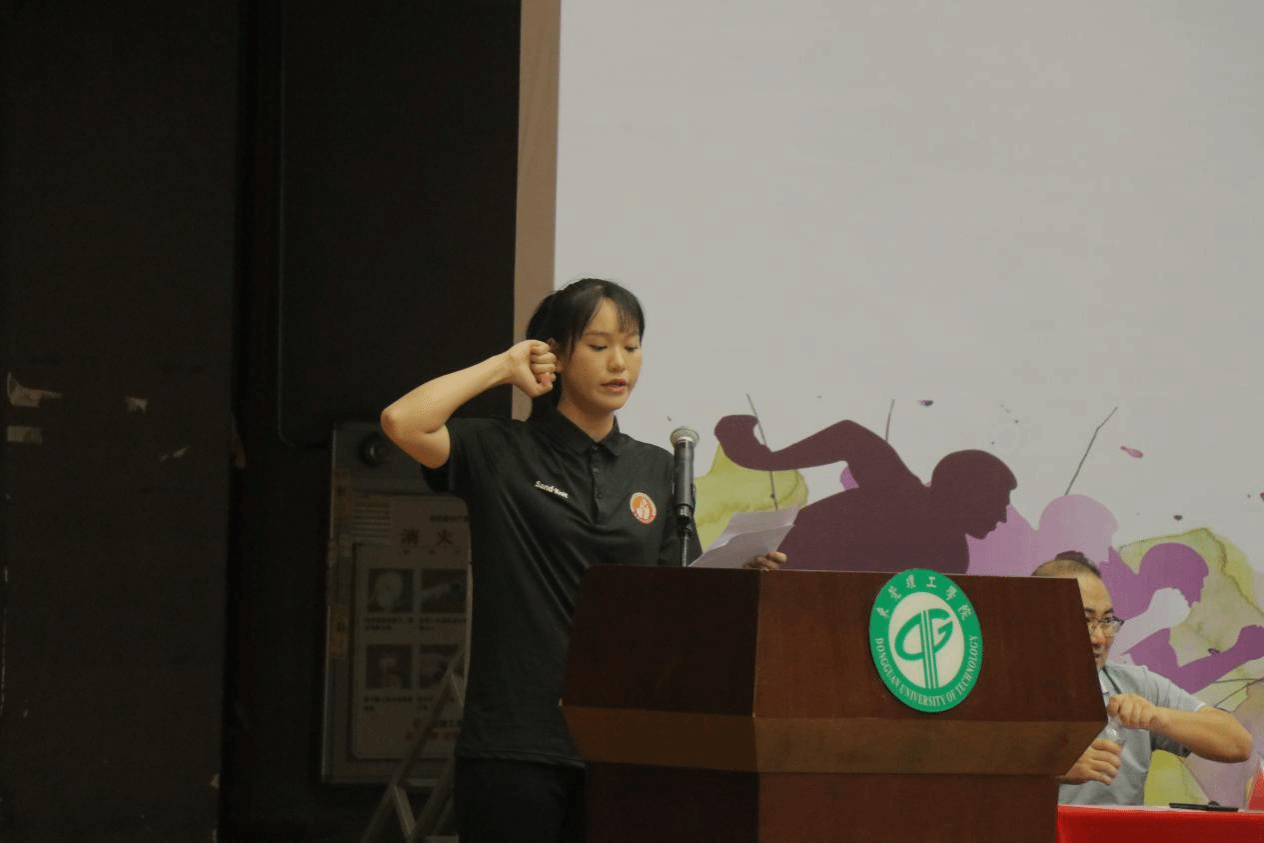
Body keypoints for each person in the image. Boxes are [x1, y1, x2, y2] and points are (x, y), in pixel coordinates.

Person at [380, 278, 785, 843]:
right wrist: (503, 367)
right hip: (516, 743)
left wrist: (738, 580)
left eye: (632, 346)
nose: (620, 363)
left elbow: (678, 599)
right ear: (555, 354)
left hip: (624, 740)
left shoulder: (657, 468)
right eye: (599, 346)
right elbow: (403, 421)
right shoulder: (501, 451)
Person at [1032, 554, 1252, 805]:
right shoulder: (1000, 691)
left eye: (1107, 621)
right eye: (1085, 620)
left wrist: (1157, 717)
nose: (1099, 639)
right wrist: (1046, 768)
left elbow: (1238, 744)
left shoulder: (1135, 686)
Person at [714, 414, 1015, 573]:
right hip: (770, 574)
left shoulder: (953, 556)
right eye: (997, 503)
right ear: (967, 492)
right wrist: (762, 459)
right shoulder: (902, 491)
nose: (1002, 517)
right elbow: (850, 436)